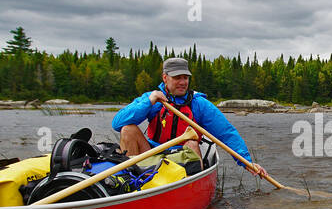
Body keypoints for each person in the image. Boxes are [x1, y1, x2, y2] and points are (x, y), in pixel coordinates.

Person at [112, 57, 267, 179]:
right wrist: (149, 101)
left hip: (183, 159)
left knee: (192, 143)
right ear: (165, 78)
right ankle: (131, 179)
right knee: (128, 129)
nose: (183, 82)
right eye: (177, 77)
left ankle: (188, 186)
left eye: (185, 77)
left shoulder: (199, 104)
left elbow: (226, 133)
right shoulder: (153, 99)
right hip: (152, 154)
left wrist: (247, 163)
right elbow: (117, 123)